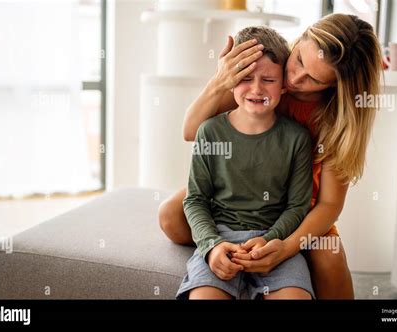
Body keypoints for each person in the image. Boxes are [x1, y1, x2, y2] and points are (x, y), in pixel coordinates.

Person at [160, 13, 383, 299]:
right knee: (170, 214)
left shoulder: (337, 121)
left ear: (335, 87)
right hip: (240, 192)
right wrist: (220, 80)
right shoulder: (264, 77)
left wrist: (284, 248)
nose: (294, 77)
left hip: (301, 205)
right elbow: (192, 131)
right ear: (300, 39)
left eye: (313, 78)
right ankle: (227, 256)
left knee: (329, 257)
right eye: (300, 60)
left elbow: (328, 204)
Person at [177, 26, 314, 300]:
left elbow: (297, 206)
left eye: (268, 79)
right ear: (230, 79)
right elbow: (195, 200)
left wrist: (269, 239)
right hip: (221, 237)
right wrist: (212, 245)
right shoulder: (210, 131)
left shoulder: (297, 137)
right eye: (246, 77)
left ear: (284, 85)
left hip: (274, 242)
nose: (256, 88)